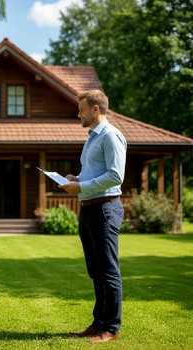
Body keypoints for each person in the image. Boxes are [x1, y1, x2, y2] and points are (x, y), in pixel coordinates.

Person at [59, 90, 127, 343]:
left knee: (108, 270)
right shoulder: (92, 139)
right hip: (88, 208)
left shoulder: (111, 136)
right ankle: (98, 322)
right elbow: (94, 173)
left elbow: (115, 176)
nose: (79, 114)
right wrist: (77, 179)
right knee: (96, 271)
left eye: (81, 109)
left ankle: (111, 328)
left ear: (96, 109)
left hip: (105, 209)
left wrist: (82, 187)